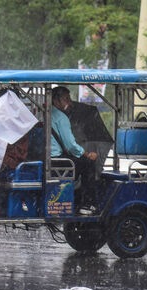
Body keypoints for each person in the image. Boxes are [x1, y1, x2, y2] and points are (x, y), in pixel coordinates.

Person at [50, 86, 98, 214]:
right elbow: (70, 145)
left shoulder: (43, 113)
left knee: (80, 163)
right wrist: (86, 154)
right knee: (88, 164)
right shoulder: (61, 117)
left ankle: (76, 198)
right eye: (66, 99)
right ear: (55, 101)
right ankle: (87, 204)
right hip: (56, 162)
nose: (70, 103)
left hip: (46, 159)